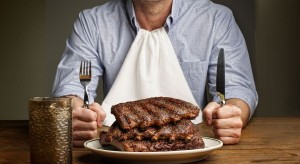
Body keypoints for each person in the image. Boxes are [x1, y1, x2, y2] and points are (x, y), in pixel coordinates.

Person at [52, 0, 258, 146]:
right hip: (115, 152)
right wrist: (75, 113)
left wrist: (231, 113)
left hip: (190, 150)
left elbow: (237, 89)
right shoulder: (92, 22)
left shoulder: (216, 19)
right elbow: (71, 90)